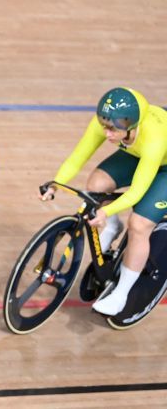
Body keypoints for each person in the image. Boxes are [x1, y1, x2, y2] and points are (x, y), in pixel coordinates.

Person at [41, 87, 167, 316]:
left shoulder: (154, 137)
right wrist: (56, 183)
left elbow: (137, 193)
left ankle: (121, 295)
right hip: (137, 154)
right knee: (96, 185)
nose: (106, 133)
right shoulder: (108, 122)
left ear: (130, 126)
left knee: (139, 224)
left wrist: (107, 211)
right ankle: (112, 227)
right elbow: (78, 156)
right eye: (105, 126)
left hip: (163, 164)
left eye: (113, 129)